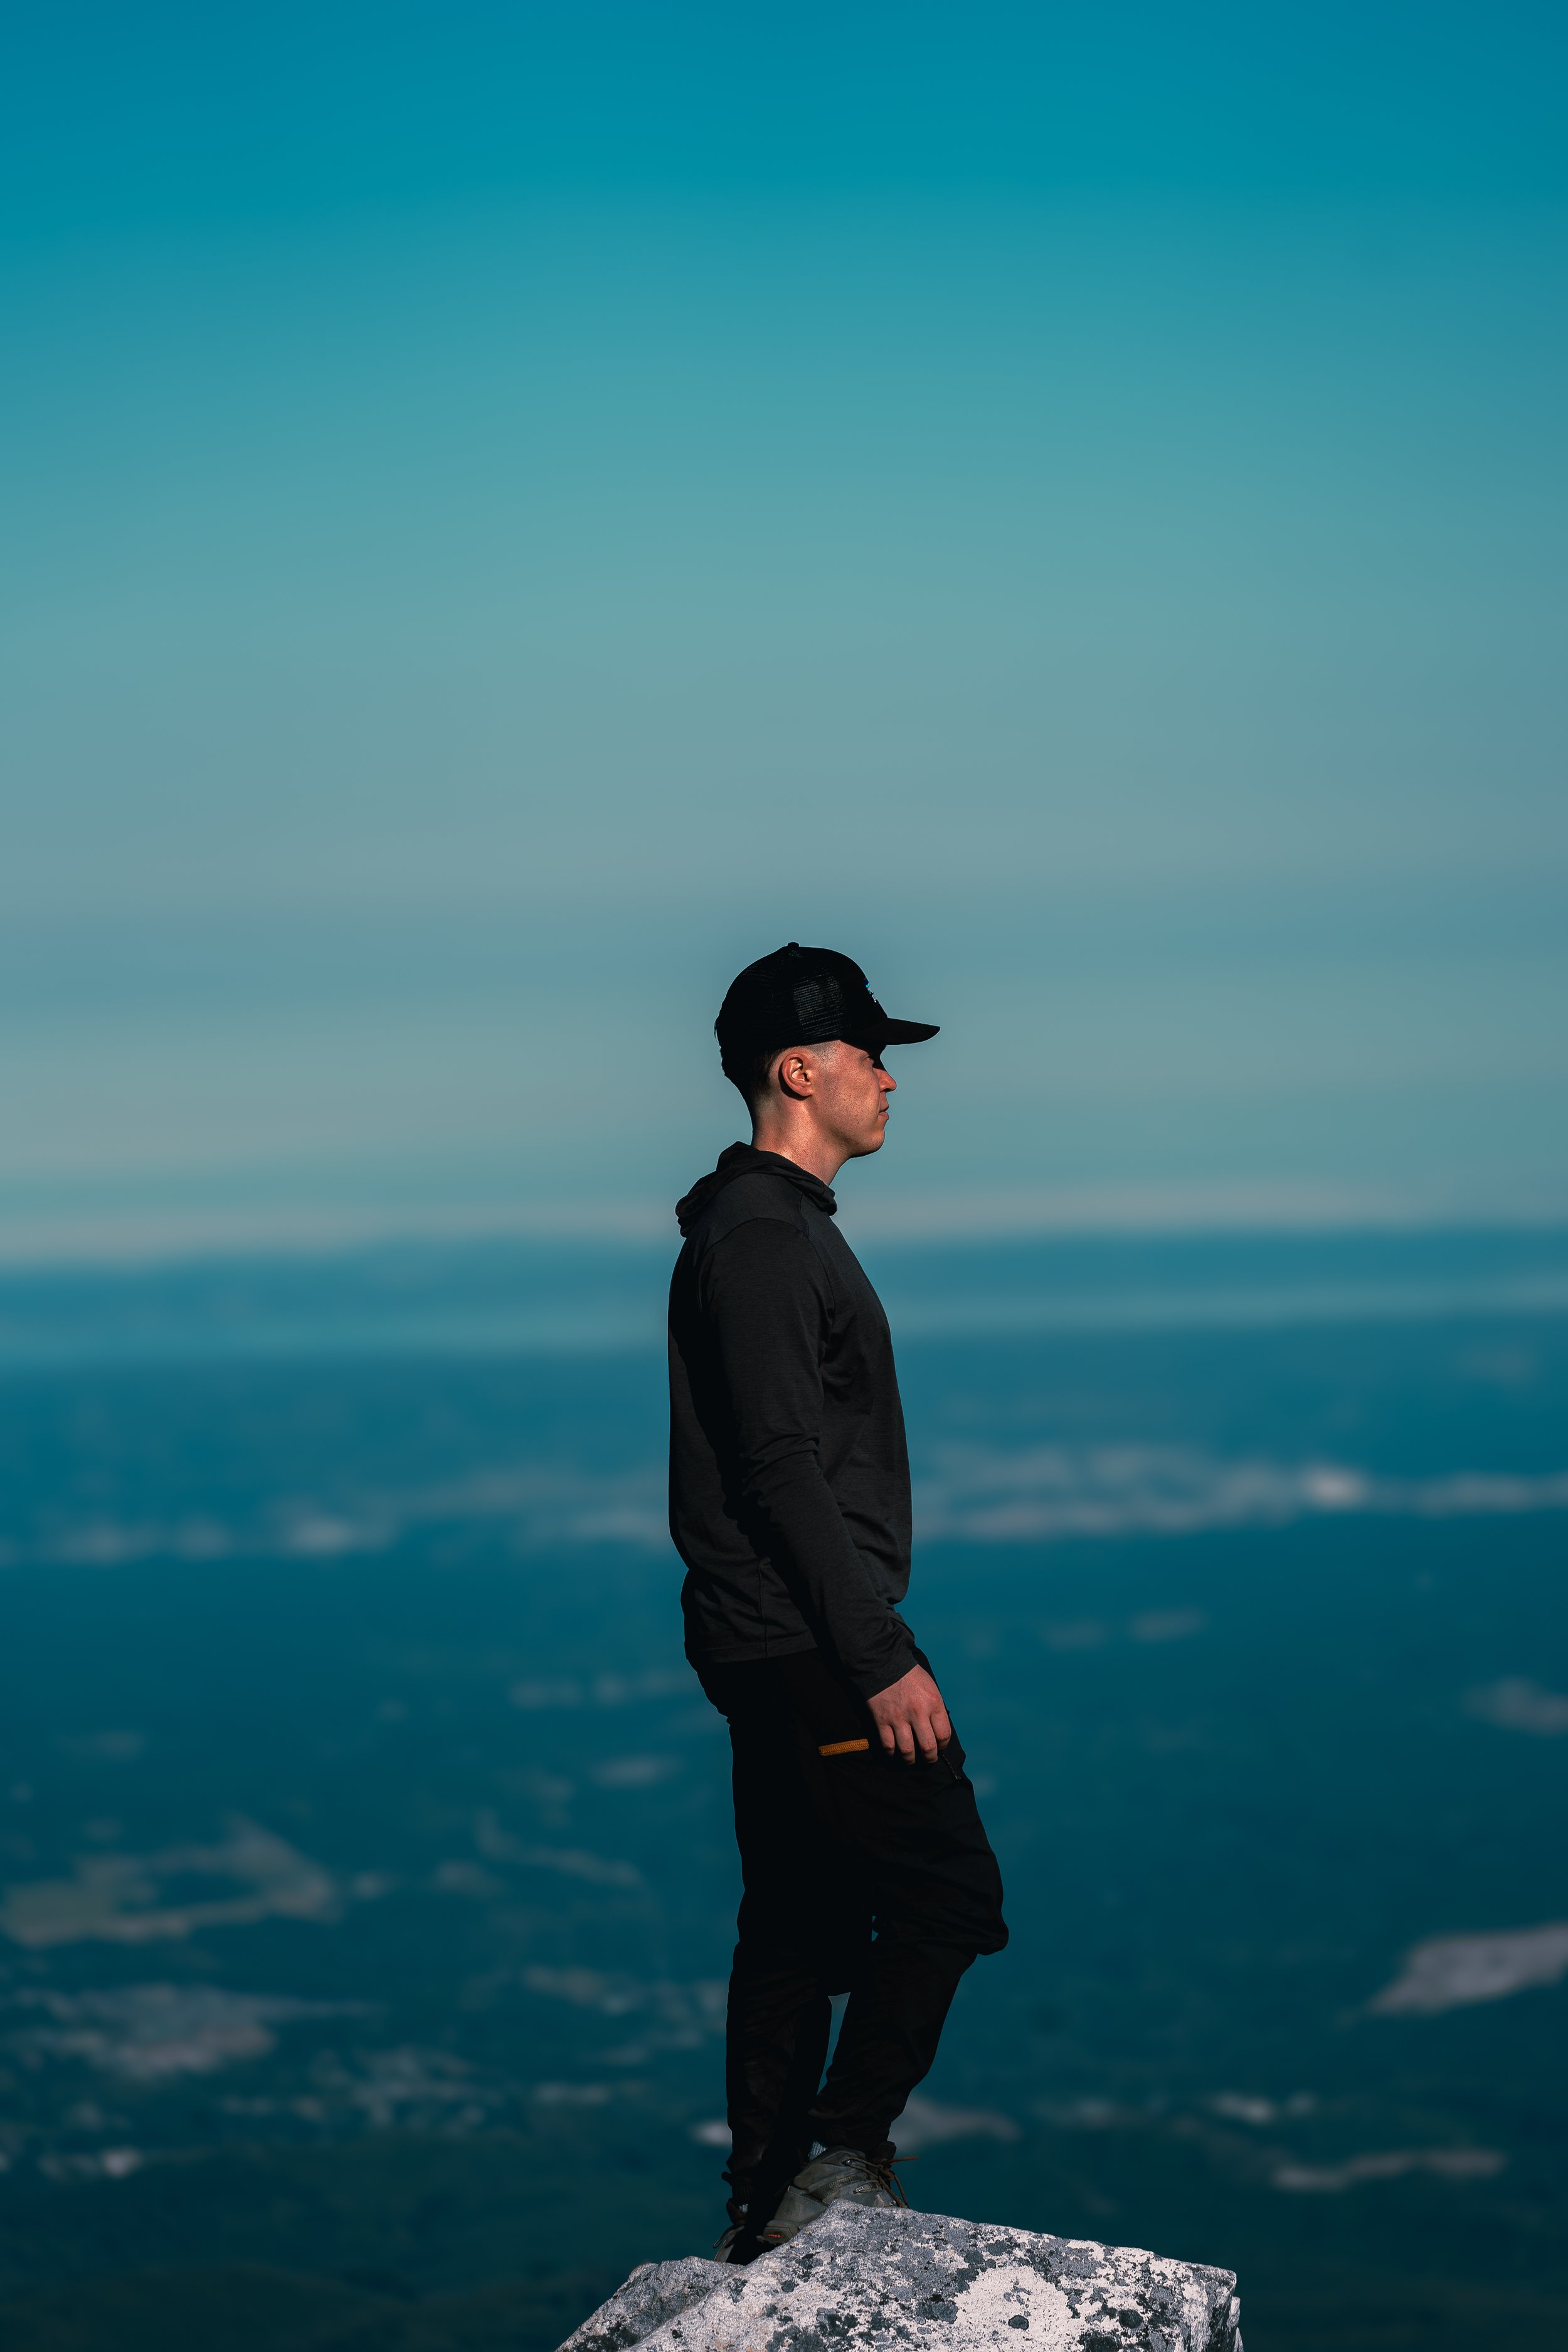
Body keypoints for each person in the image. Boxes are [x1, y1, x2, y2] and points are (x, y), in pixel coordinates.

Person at [668, 943, 1007, 2262]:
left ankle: (763, 2205)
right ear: (797, 1071)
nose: (886, 1081)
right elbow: (776, 1467)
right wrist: (877, 1656)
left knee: (800, 1917)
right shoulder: (760, 1243)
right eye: (867, 1056)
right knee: (948, 1896)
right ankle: (837, 2157)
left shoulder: (767, 1230)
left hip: (779, 1638)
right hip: (812, 1643)